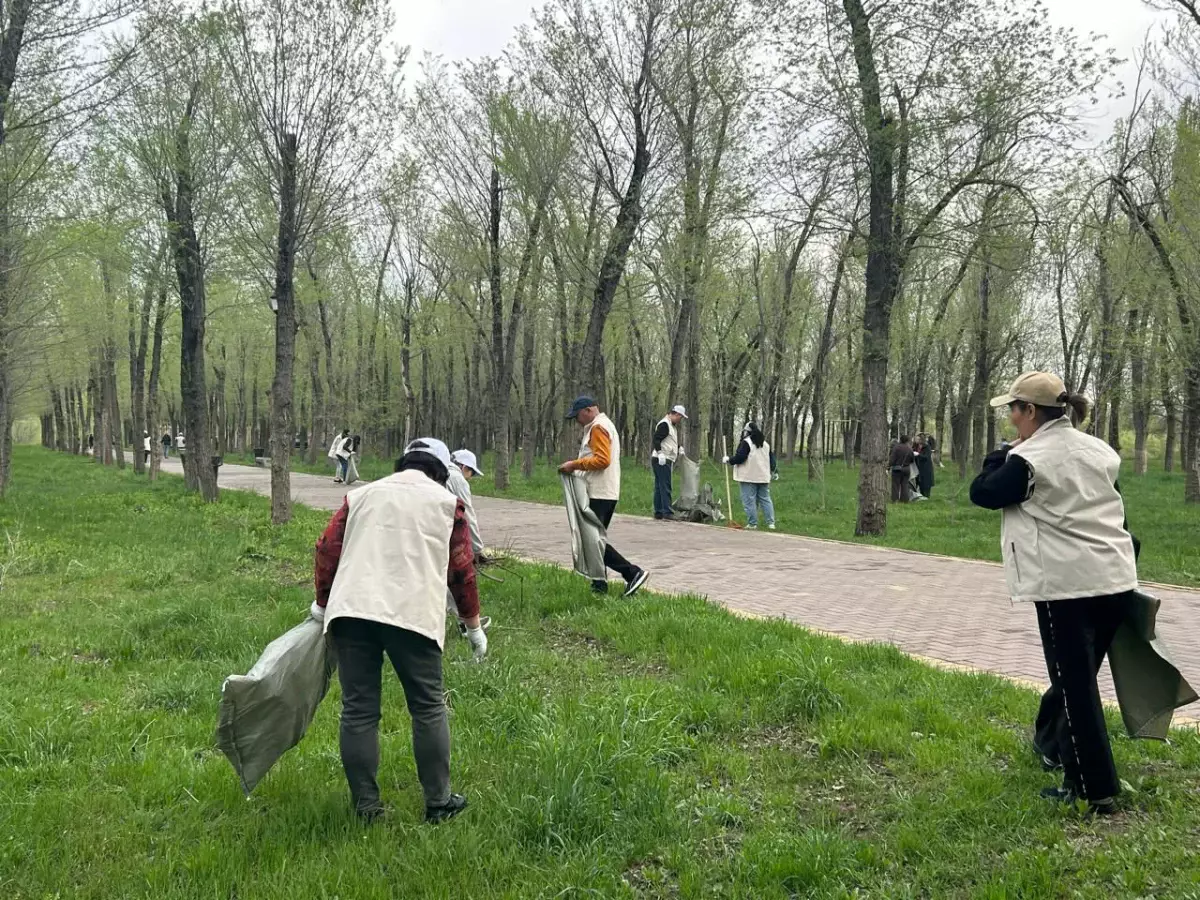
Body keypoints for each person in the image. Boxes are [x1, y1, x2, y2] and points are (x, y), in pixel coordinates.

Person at [969, 371, 1139, 815]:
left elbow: (985, 493)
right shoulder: (1099, 450)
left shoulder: (1029, 459)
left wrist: (998, 457)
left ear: (1030, 412)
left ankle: (1095, 788)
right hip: (1116, 577)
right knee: (1072, 678)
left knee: (1075, 688)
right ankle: (1050, 746)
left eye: (1013, 410)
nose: (1010, 419)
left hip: (1067, 586)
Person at [310, 438, 485, 825]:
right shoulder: (445, 503)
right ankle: (439, 803)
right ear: (441, 472)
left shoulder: (362, 495)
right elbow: (461, 570)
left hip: (353, 611)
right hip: (413, 615)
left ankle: (367, 809)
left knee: (358, 711)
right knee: (427, 707)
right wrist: (472, 627)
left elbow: (326, 549)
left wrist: (323, 602)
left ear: (401, 464)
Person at [559, 396, 650, 597]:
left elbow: (602, 460)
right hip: (605, 491)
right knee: (593, 540)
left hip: (598, 492)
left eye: (578, 416)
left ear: (588, 410)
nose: (577, 420)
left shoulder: (598, 427)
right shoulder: (603, 424)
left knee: (593, 541)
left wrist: (574, 464)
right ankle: (599, 584)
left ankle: (632, 572)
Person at [723, 422, 777, 530]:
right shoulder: (765, 444)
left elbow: (740, 457)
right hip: (763, 477)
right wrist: (774, 471)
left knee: (749, 500)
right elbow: (772, 460)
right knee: (765, 499)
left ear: (747, 431)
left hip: (748, 477)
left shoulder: (746, 443)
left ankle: (752, 524)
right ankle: (771, 523)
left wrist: (729, 460)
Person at [651, 405, 688, 520]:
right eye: (680, 417)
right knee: (665, 485)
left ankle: (659, 512)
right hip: (662, 458)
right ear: (676, 414)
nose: (679, 420)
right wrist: (660, 452)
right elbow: (656, 439)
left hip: (662, 458)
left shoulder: (670, 426)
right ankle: (667, 512)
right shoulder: (665, 424)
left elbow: (669, 441)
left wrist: (678, 447)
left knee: (659, 485)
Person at [888, 435, 915, 502]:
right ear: (907, 441)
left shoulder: (896, 448)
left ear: (900, 440)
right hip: (906, 469)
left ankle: (895, 500)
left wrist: (888, 466)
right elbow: (912, 459)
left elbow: (892, 459)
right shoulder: (910, 448)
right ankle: (905, 500)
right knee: (905, 484)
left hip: (897, 469)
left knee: (895, 485)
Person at [914, 433, 935, 499]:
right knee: (920, 482)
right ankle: (921, 495)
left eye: (917, 439)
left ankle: (926, 496)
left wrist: (918, 455)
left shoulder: (927, 447)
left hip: (926, 468)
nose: (916, 440)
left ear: (921, 439)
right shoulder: (916, 446)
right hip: (918, 467)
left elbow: (926, 457)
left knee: (926, 483)